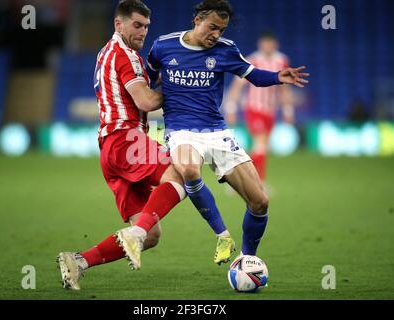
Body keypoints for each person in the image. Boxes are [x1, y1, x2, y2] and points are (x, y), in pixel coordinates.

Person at [145, 0, 308, 264]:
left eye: (221, 29)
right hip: (181, 129)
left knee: (260, 202)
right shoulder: (163, 46)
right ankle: (222, 234)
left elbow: (253, 75)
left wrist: (279, 77)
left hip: (217, 131)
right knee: (188, 169)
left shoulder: (226, 50)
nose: (216, 35)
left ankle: (247, 260)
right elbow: (148, 80)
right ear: (197, 19)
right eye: (212, 27)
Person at [56, 0, 187, 290]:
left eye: (146, 27)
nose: (143, 32)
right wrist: (177, 85)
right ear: (119, 24)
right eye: (137, 25)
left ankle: (77, 261)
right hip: (125, 139)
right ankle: (133, 236)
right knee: (180, 174)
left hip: (111, 150)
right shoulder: (124, 55)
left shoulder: (109, 53)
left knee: (150, 234)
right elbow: (146, 101)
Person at [224, 32, 295, 182]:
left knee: (261, 148)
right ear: (260, 44)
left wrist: (288, 109)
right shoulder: (253, 60)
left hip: (270, 111)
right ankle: (258, 182)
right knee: (261, 144)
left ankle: (237, 178)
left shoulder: (282, 60)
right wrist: (231, 107)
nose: (267, 46)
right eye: (265, 43)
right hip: (254, 108)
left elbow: (285, 87)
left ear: (275, 44)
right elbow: (238, 84)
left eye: (270, 43)